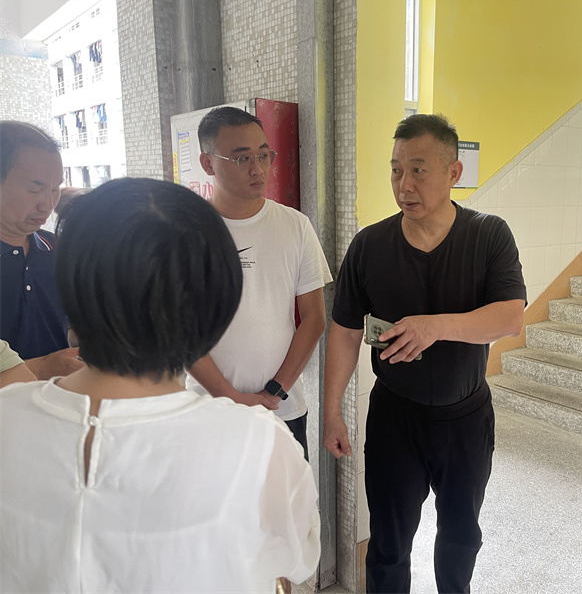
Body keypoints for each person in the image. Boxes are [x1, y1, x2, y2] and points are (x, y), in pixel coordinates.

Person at [0, 178, 320, 592]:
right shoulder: (255, 443)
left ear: (70, 289)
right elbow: (296, 560)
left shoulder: (8, 414)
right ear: (216, 307)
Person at [323, 113, 526, 593]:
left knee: (460, 537)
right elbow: (345, 331)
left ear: (453, 173)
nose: (403, 184)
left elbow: (509, 318)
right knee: (388, 542)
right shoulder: (370, 246)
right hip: (395, 419)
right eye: (396, 170)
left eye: (418, 170)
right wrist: (331, 412)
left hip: (465, 420)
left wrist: (436, 326)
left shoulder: (488, 235)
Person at [186, 106, 332, 459]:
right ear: (207, 163)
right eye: (242, 158)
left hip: (282, 409)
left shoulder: (295, 226)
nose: (258, 168)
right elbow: (179, 332)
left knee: (287, 496)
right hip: (208, 410)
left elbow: (314, 319)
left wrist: (275, 391)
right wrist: (231, 397)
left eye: (264, 155)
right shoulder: (185, 233)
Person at [0, 121, 82, 379]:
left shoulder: (60, 250)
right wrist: (41, 367)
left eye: (55, 188)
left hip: (61, 399)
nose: (48, 204)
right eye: (34, 189)